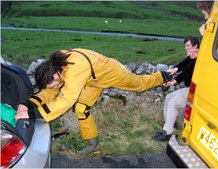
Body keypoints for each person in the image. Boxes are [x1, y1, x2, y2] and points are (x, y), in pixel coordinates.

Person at [15, 48, 171, 155]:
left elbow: (65, 100)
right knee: (81, 109)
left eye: (54, 83)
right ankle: (93, 146)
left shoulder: (74, 71)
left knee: (139, 85)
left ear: (55, 76)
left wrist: (31, 115)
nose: (55, 87)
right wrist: (27, 105)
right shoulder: (55, 67)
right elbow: (49, 92)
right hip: (93, 80)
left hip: (112, 72)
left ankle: (162, 76)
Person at [152, 36, 200, 141]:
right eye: (185, 46)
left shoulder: (199, 58)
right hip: (191, 88)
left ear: (195, 46)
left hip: (198, 91)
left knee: (174, 102)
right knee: (169, 97)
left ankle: (167, 133)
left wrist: (172, 82)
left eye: (188, 45)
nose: (186, 48)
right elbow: (183, 64)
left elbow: (186, 71)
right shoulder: (193, 55)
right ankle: (170, 124)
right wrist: (174, 69)